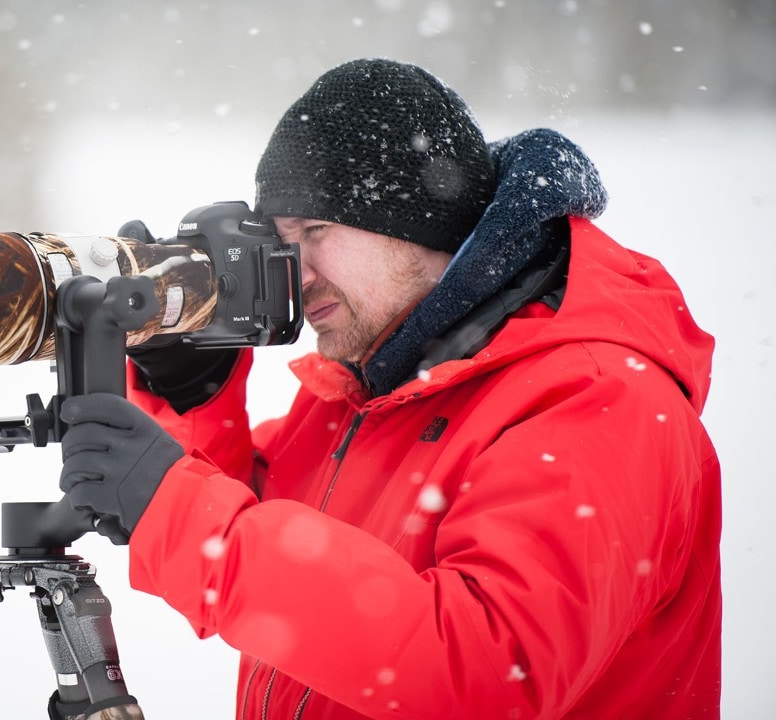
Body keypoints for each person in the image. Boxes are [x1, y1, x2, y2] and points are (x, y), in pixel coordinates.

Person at [58, 58, 721, 719]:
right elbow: (271, 521)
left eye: (317, 231)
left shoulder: (598, 399)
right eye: (282, 242)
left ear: (421, 222)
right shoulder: (375, 383)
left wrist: (181, 515)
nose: (299, 274)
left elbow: (487, 671)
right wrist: (191, 393)